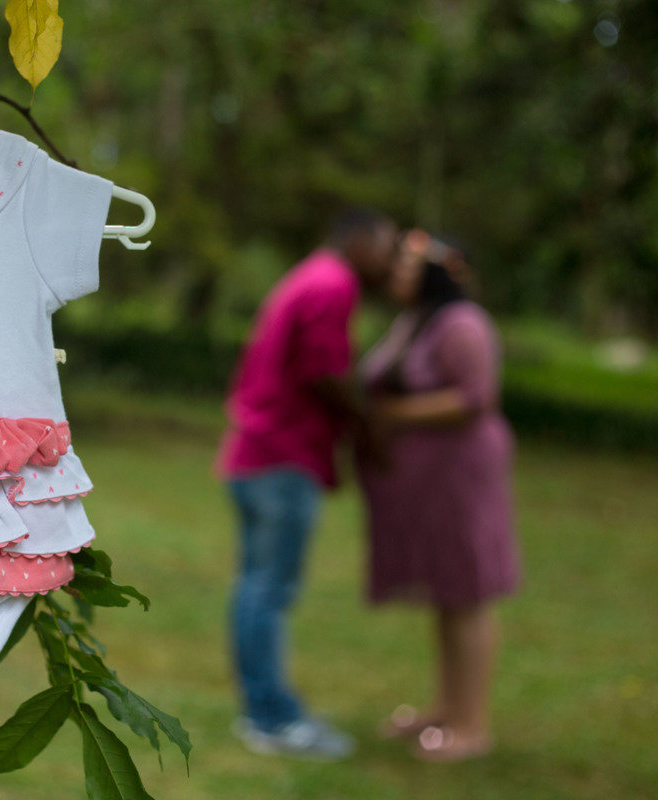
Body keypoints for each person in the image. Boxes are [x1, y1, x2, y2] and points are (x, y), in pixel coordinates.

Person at [218, 208, 397, 760]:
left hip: (256, 454)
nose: (389, 260)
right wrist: (365, 427)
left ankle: (261, 711)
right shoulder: (333, 284)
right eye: (386, 245)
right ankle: (274, 719)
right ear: (359, 240)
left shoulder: (310, 275)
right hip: (282, 458)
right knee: (270, 589)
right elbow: (324, 372)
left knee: (256, 586)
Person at [356, 229, 519, 761]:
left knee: (468, 595)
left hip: (461, 478)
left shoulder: (463, 324)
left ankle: (473, 727)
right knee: (446, 594)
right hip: (427, 485)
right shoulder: (415, 322)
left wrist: (391, 416)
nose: (395, 274)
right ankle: (445, 709)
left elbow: (476, 397)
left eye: (406, 266)